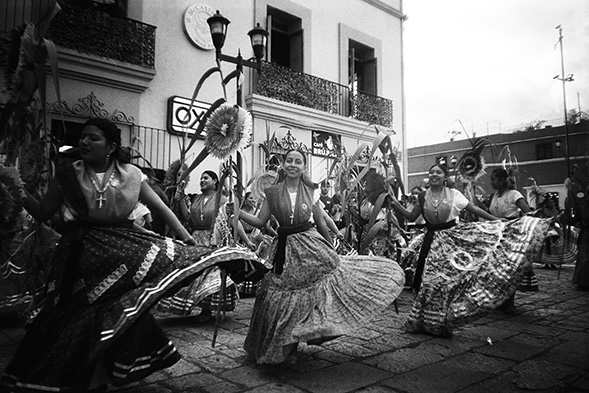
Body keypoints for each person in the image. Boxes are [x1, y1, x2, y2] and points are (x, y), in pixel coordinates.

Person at [0, 118, 256, 392]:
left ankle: (97, 375)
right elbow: (41, 212)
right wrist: (12, 184)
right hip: (79, 256)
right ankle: (77, 374)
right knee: (74, 313)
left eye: (93, 138)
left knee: (116, 309)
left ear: (110, 146)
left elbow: (161, 207)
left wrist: (186, 238)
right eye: (83, 136)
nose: (84, 142)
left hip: (122, 250)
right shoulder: (67, 175)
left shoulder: (131, 174)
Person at [229, 149, 405, 364]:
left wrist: (330, 246)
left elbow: (321, 221)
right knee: (279, 295)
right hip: (283, 250)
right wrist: (237, 213)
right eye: (289, 160)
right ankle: (285, 345)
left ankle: (294, 343)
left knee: (312, 292)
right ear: (283, 165)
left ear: (304, 167)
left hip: (310, 245)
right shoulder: (272, 192)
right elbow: (259, 221)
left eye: (298, 161)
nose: (293, 164)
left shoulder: (311, 191)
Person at [389, 163, 549, 337]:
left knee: (446, 282)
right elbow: (411, 216)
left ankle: (440, 322)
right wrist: (394, 203)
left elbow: (475, 209)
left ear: (445, 177)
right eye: (432, 172)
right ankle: (422, 320)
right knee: (426, 281)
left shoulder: (454, 195)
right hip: (429, 242)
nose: (434, 174)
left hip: (450, 242)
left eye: (438, 172)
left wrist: (497, 221)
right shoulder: (422, 196)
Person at [157, 170, 252, 323]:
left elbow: (234, 219)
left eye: (205, 178)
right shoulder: (197, 199)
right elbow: (188, 218)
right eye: (201, 178)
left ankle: (207, 309)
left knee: (208, 275)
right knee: (193, 274)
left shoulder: (222, 199)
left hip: (213, 240)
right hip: (196, 240)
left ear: (215, 182)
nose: (202, 180)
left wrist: (247, 241)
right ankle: (195, 306)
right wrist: (180, 199)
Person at [486, 168, 535, 313]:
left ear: (502, 180)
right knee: (497, 269)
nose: (491, 182)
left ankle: (509, 302)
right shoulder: (494, 196)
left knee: (509, 268)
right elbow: (490, 213)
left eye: (494, 179)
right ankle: (499, 300)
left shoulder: (515, 195)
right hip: (496, 235)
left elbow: (528, 211)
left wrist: (518, 224)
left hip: (510, 235)